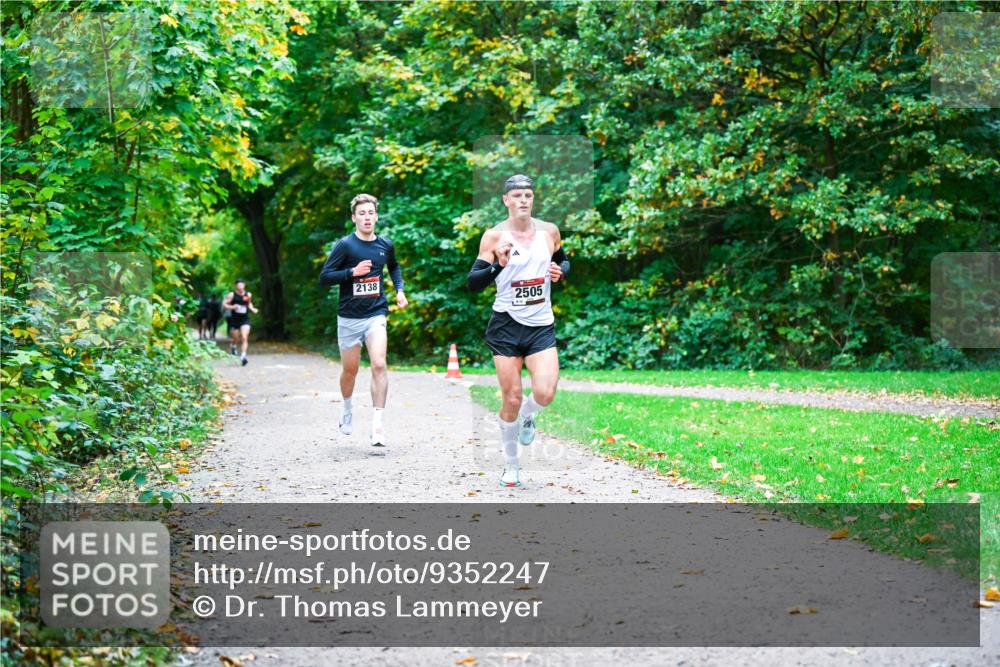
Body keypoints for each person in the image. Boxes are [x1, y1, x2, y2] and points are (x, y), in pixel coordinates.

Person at [467, 174, 570, 488]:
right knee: (511, 398)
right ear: (506, 201)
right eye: (517, 196)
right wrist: (498, 264)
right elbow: (473, 283)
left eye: (528, 195)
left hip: (540, 324)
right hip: (506, 326)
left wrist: (560, 272)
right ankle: (511, 466)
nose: (524, 200)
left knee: (545, 393)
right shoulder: (494, 236)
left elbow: (564, 261)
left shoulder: (549, 231)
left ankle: (530, 415)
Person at [319, 193, 407, 454]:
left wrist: (399, 290)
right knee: (351, 371)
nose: (367, 217)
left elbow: (394, 267)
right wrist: (351, 273)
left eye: (371, 213)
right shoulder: (345, 246)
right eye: (362, 213)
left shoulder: (385, 245)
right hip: (348, 318)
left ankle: (378, 424)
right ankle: (347, 408)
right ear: (354, 217)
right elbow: (325, 277)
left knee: (379, 363)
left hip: (375, 314)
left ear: (376, 216)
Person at [222, 279, 258, 366]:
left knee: (245, 337)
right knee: (236, 338)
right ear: (236, 286)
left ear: (244, 285)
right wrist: (232, 307)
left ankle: (243, 356)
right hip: (234, 319)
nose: (240, 287)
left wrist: (252, 309)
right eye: (238, 286)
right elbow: (224, 304)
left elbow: (249, 303)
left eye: (242, 285)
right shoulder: (232, 295)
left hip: (244, 319)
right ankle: (233, 346)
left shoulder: (248, 294)